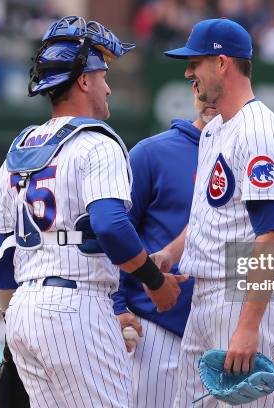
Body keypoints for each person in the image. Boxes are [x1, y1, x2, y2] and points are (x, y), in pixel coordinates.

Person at [0, 16, 186, 408]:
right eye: (102, 75)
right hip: (76, 304)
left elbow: (3, 249)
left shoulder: (20, 147)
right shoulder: (96, 143)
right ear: (82, 80)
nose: (108, 86)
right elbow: (111, 226)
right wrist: (154, 281)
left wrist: (14, 326)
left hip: (25, 306)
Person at [157, 18, 274, 407]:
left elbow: (271, 235)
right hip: (206, 294)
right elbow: (208, 215)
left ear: (222, 63)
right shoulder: (216, 129)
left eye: (195, 63)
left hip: (239, 294)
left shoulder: (258, 132)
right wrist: (170, 252)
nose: (188, 73)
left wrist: (248, 327)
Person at [112, 82, 216, 408]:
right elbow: (112, 233)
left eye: (218, 89)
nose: (208, 98)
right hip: (156, 331)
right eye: (201, 87)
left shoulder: (249, 159)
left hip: (223, 336)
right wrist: (115, 305)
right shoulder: (151, 152)